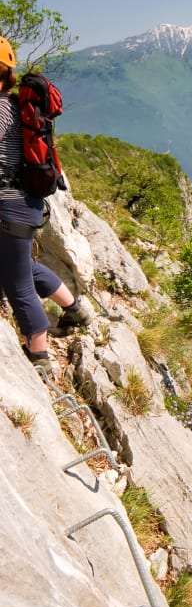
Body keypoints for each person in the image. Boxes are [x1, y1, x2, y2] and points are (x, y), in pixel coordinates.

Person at [0, 35, 91, 374]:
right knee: (18, 265)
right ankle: (75, 310)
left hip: (8, 206)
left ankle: (39, 356)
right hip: (25, 203)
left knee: (16, 281)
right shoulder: (13, 105)